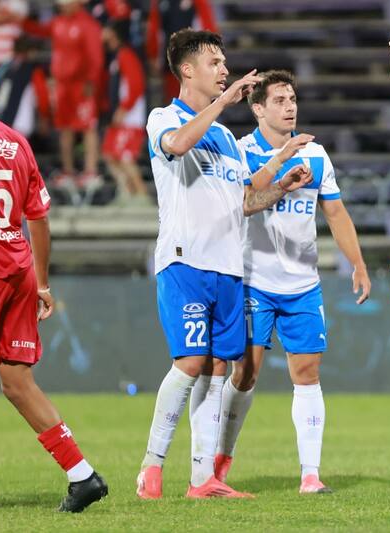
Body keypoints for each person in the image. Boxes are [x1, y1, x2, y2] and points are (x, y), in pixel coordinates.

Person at [137, 29, 315, 501]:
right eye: (215, 62)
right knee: (191, 360)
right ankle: (151, 467)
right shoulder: (164, 117)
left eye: (224, 62)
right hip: (185, 260)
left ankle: (202, 478)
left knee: (218, 367)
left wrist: (280, 174)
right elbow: (175, 145)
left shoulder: (223, 137)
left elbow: (242, 197)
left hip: (228, 267)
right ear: (188, 70)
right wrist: (224, 103)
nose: (224, 70)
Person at [0, 58, 107, 517]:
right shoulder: (16, 142)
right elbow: (39, 220)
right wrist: (42, 283)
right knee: (15, 379)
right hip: (19, 269)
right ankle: (82, 476)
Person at [214, 70, 372, 494]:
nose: (290, 107)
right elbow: (245, 200)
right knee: (245, 373)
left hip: (303, 282)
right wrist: (281, 164)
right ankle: (221, 458)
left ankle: (310, 474)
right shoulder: (242, 152)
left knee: (307, 371)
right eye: (280, 100)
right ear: (258, 108)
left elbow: (335, 214)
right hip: (253, 280)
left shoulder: (316, 155)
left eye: (293, 99)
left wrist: (356, 263)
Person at [22, 0, 104, 193]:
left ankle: (90, 170)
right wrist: (20, 20)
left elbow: (95, 55)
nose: (63, 6)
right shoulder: (58, 22)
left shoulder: (88, 24)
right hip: (62, 85)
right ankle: (68, 171)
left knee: (88, 126)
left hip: (81, 85)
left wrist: (91, 81)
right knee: (64, 127)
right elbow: (40, 31)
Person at [101, 20, 149, 205]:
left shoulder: (126, 55)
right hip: (120, 116)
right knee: (109, 154)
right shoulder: (117, 56)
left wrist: (124, 109)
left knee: (124, 157)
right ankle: (127, 194)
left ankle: (142, 197)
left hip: (129, 117)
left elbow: (136, 85)